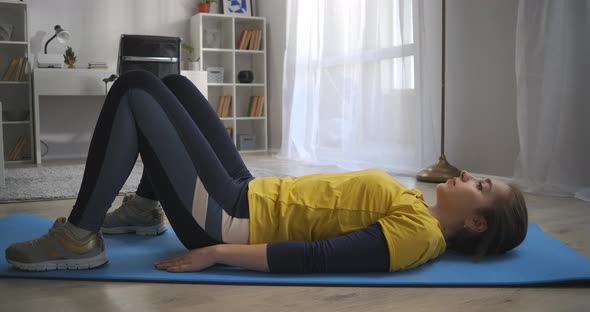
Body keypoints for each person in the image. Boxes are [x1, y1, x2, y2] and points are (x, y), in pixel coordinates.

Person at [4, 70, 528, 273]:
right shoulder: (418, 208)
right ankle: (144, 208)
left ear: (479, 223)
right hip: (250, 191)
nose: (469, 175)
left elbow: (320, 258)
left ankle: (78, 239)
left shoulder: (418, 237)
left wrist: (216, 252)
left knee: (135, 90)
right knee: (178, 85)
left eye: (482, 186)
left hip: (230, 216)